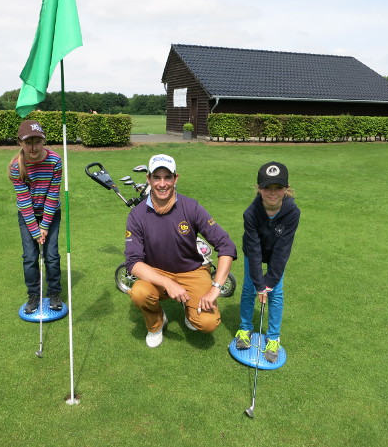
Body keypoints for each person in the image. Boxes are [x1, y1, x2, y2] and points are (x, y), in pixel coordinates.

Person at [125, 154, 237, 348]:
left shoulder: (191, 207)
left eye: (167, 177)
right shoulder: (137, 214)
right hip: (157, 273)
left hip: (192, 271)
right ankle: (156, 324)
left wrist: (215, 288)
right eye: (156, 177)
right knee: (139, 292)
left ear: (175, 179)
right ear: (148, 179)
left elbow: (226, 245)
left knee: (207, 323)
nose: (162, 184)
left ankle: (190, 309)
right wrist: (168, 283)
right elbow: (133, 262)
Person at [235, 161, 300, 363]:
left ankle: (273, 338)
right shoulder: (251, 213)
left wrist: (269, 283)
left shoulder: (292, 212)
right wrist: (259, 285)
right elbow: (253, 251)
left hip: (276, 254)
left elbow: (282, 251)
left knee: (276, 291)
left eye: (278, 188)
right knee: (249, 288)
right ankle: (245, 329)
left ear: (286, 189)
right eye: (267, 188)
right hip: (254, 251)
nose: (273, 193)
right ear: (259, 188)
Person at [8, 120, 63, 313]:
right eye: (28, 142)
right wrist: (34, 229)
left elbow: (53, 194)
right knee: (30, 257)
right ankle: (33, 295)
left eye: (37, 141)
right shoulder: (16, 166)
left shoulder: (55, 161)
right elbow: (23, 200)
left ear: (43, 141)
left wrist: (45, 226)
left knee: (51, 255)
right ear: (20, 143)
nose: (33, 147)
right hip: (27, 215)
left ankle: (55, 293)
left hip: (51, 213)